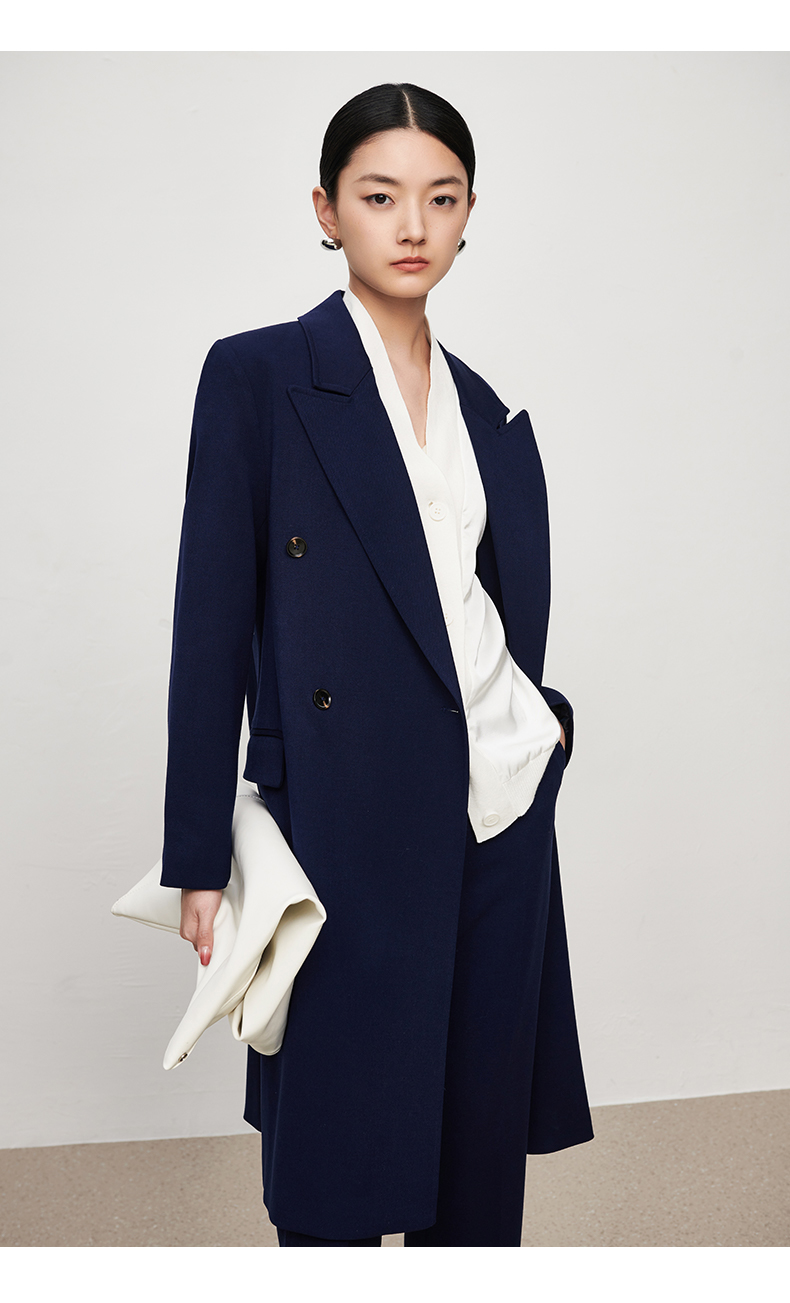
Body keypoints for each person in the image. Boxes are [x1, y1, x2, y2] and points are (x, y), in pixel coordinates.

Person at [161, 82, 593, 1248]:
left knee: (473, 1165)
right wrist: (197, 852)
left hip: (496, 808)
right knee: (336, 1172)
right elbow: (210, 621)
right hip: (343, 816)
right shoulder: (260, 377)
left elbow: (484, 610)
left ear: (468, 216)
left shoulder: (488, 410)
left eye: (441, 199)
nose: (412, 226)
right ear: (326, 210)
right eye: (379, 195)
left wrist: (543, 726)